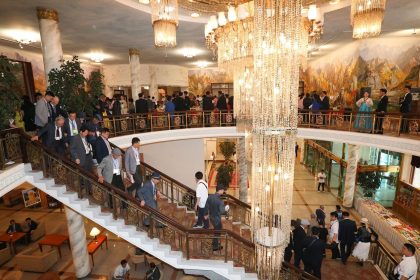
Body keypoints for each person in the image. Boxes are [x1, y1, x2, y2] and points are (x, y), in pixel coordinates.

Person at [205, 184, 228, 251]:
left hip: (211, 217)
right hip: (217, 219)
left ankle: (214, 243)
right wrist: (226, 209)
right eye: (223, 190)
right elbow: (222, 211)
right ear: (220, 190)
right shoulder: (220, 201)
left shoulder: (210, 197)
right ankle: (215, 246)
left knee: (216, 230)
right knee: (218, 231)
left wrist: (206, 214)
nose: (223, 192)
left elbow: (206, 206)